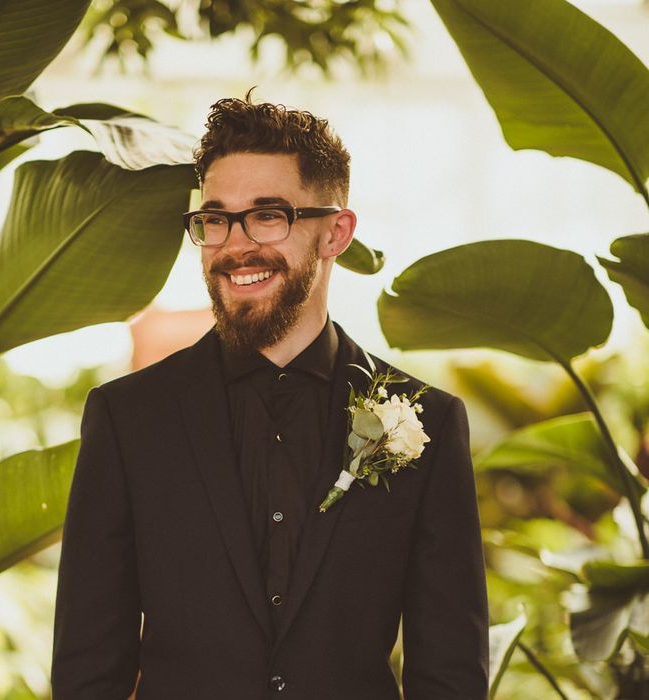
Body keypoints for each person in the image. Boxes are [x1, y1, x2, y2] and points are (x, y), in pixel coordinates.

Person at [51, 94, 489, 699]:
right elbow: (87, 670)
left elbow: (450, 674)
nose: (235, 245)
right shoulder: (127, 418)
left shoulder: (428, 423)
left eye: (268, 215)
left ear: (335, 233)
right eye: (216, 217)